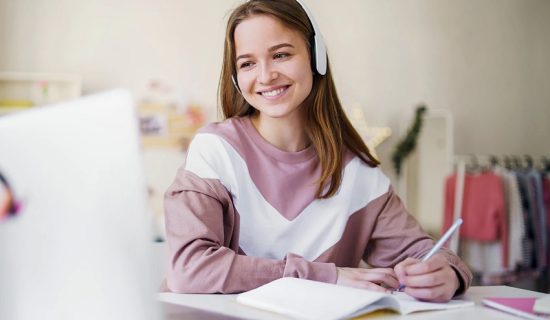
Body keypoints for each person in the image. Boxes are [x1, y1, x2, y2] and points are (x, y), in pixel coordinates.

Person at [162, 0, 472, 302]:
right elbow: (190, 269)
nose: (266, 75)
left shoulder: (357, 172)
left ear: (316, 57)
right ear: (236, 78)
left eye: (281, 54)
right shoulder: (215, 151)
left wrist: (448, 274)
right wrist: (327, 276)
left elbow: (422, 254)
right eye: (247, 63)